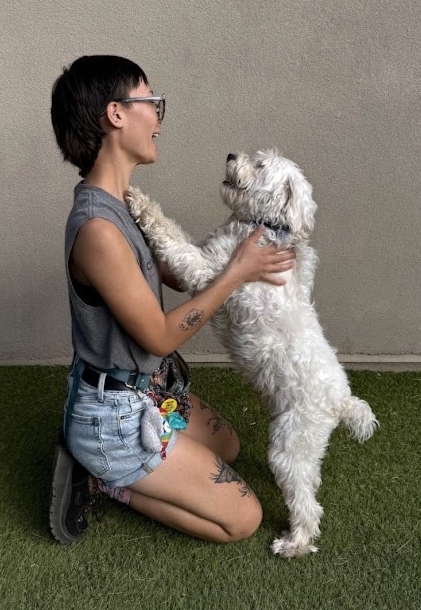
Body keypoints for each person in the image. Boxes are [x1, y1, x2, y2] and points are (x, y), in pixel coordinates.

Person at [49, 55, 296, 546]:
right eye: (151, 102)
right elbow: (160, 338)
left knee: (228, 445)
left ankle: (127, 461)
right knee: (242, 520)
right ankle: (100, 478)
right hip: (115, 417)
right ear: (116, 114)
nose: (158, 120)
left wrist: (244, 230)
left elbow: (179, 277)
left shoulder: (122, 202)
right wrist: (237, 272)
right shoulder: (99, 230)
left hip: (148, 389)